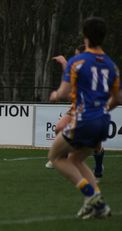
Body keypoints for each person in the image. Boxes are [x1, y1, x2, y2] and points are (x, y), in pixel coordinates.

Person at [48, 16, 121, 219]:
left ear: (85, 36)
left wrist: (54, 95)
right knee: (76, 159)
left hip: (84, 119)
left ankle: (90, 195)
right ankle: (100, 204)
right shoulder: (111, 65)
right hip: (103, 121)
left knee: (55, 157)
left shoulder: (78, 61)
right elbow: (118, 98)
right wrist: (103, 108)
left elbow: (62, 93)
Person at [45, 45, 105, 182]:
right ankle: (62, 156)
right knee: (59, 128)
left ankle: (99, 166)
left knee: (95, 144)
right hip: (76, 108)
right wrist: (63, 61)